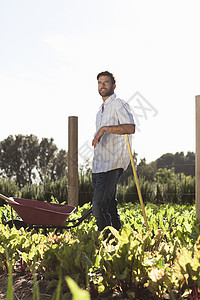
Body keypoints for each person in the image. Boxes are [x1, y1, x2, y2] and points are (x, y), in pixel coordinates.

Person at [92, 71, 135, 232]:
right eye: (99, 82)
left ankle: (108, 243)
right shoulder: (100, 111)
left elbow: (130, 128)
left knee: (98, 206)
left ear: (113, 86)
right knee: (109, 206)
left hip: (112, 163)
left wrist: (104, 129)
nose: (102, 85)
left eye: (106, 82)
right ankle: (118, 242)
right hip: (98, 165)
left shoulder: (119, 104)